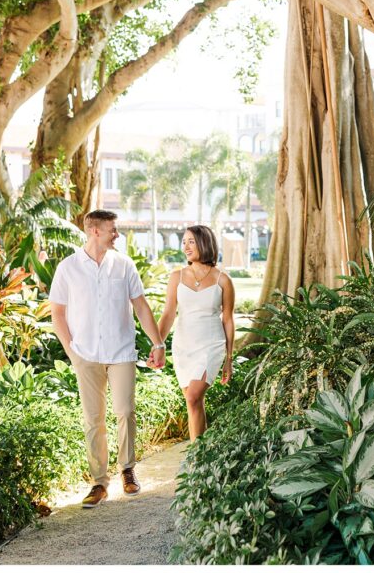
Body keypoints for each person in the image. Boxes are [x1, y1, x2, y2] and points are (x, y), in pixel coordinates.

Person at [49, 210, 167, 508]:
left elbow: (140, 306)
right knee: (93, 420)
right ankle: (99, 482)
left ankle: (127, 469)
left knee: (125, 410)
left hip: (121, 351)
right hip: (85, 353)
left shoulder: (124, 266)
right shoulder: (69, 268)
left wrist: (158, 343)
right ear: (94, 231)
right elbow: (58, 313)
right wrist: (71, 351)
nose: (117, 235)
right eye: (112, 230)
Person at [153, 225, 235, 440]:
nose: (186, 247)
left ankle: (196, 457)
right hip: (183, 345)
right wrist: (157, 344)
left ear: (205, 243)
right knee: (193, 402)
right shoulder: (177, 277)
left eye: (191, 241)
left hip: (211, 345)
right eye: (184, 242)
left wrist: (229, 358)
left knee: (193, 397)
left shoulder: (223, 280)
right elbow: (168, 314)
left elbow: (227, 319)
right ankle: (199, 457)